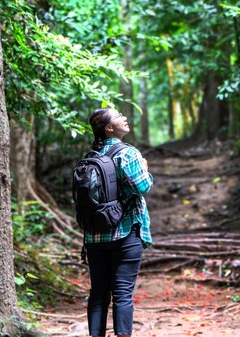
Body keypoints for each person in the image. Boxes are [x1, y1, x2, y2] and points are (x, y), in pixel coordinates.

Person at [85, 108, 154, 337]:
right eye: (118, 117)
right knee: (122, 292)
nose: (124, 118)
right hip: (126, 231)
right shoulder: (128, 153)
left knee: (98, 294)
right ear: (109, 128)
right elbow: (143, 186)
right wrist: (144, 167)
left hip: (95, 235)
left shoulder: (90, 157)